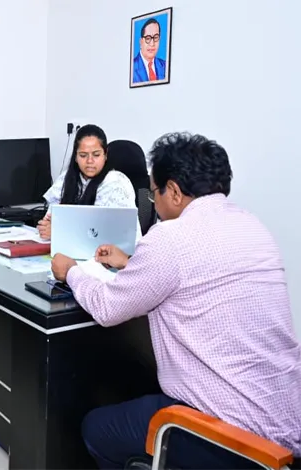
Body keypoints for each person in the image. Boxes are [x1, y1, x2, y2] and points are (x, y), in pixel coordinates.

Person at [50, 132, 301, 469]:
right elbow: (199, 275)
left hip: (231, 436)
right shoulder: (253, 227)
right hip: (287, 425)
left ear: (174, 192)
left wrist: (71, 271)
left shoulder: (170, 237)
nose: (154, 202)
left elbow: (107, 307)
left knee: (97, 428)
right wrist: (131, 262)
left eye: (154, 193)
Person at [38, 125, 140, 241]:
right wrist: (47, 228)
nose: (89, 161)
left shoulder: (116, 182)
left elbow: (110, 233)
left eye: (96, 155)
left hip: (109, 250)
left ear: (105, 155)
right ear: (75, 157)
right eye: (83, 155)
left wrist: (59, 231)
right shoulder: (66, 178)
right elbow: (49, 220)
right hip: (69, 247)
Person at [132, 18, 166, 84]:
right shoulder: (132, 67)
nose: (152, 44)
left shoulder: (165, 66)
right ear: (141, 42)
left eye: (156, 37)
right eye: (148, 38)